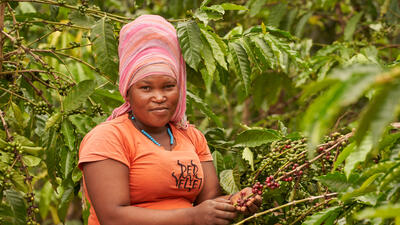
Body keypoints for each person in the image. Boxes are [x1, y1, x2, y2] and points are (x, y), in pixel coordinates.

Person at [78, 15, 262, 225]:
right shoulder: (108, 138)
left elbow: (209, 203)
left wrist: (234, 202)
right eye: (146, 88)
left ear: (180, 89)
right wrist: (192, 217)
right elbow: (113, 218)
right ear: (127, 92)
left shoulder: (191, 136)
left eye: (168, 86)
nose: (159, 97)